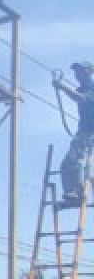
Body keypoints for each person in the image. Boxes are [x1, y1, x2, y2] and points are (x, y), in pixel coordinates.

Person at [55, 62, 94, 206]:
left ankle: (76, 192)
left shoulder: (91, 89)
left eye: (80, 71)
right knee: (67, 163)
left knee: (72, 159)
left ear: (89, 72)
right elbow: (77, 96)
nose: (77, 75)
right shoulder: (82, 89)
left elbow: (81, 98)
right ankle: (75, 192)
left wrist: (62, 87)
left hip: (90, 131)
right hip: (85, 131)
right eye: (76, 72)